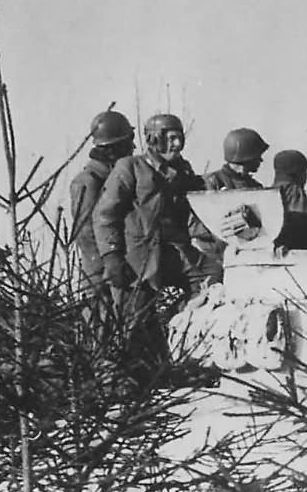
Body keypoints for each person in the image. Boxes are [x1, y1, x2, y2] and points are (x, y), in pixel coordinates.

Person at [92, 112, 209, 366]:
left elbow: (197, 213)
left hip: (176, 252)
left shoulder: (183, 172)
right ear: (154, 140)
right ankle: (137, 382)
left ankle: (177, 329)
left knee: (212, 280)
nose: (177, 145)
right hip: (138, 259)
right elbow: (105, 215)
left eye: (180, 139)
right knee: (136, 326)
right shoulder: (130, 167)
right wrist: (111, 257)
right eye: (171, 139)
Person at [69, 110, 134, 296]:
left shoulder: (117, 178)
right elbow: (85, 233)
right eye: (127, 144)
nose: (133, 147)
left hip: (121, 269)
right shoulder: (88, 181)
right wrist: (108, 266)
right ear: (113, 149)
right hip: (101, 277)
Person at [191, 127, 270, 272]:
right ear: (245, 156)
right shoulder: (211, 182)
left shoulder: (255, 187)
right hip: (213, 257)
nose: (260, 160)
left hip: (247, 257)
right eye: (257, 155)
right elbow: (198, 225)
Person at [270, 148, 307, 250]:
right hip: (297, 253)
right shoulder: (294, 191)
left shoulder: (271, 193)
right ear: (299, 172)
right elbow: (302, 224)